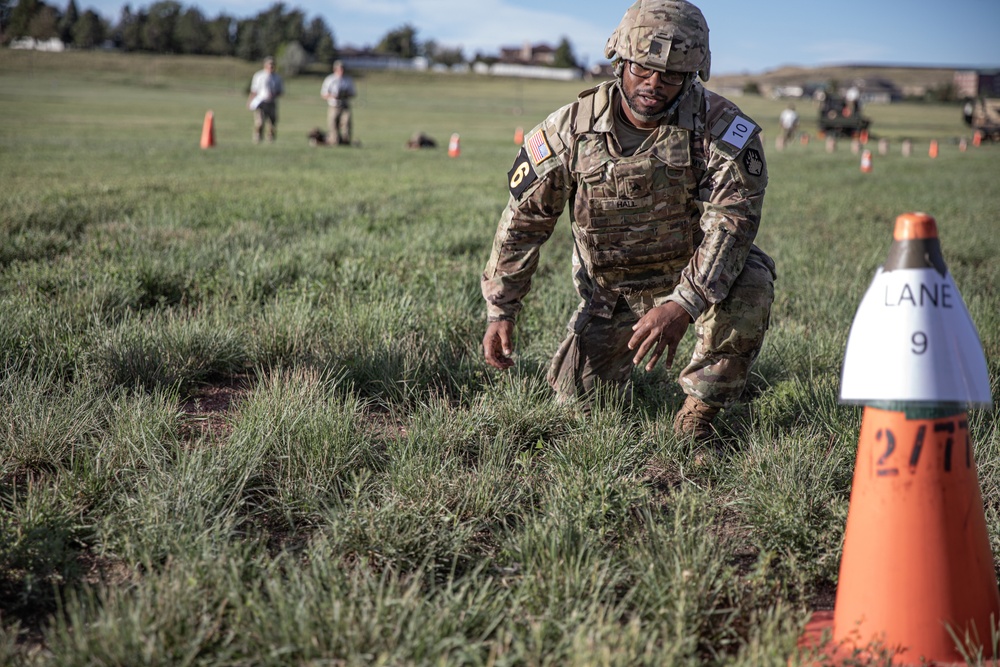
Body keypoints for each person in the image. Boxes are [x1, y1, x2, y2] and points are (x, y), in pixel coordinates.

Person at [480, 0, 775, 442]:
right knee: (579, 406)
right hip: (611, 294)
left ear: (692, 75)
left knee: (750, 279)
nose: (654, 84)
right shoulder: (568, 131)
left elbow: (732, 224)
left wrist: (682, 304)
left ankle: (698, 413)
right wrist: (501, 309)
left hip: (692, 282)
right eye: (642, 68)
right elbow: (524, 222)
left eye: (672, 75)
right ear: (619, 60)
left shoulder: (722, 129)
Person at [247, 56, 283, 143]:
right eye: (269, 65)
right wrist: (250, 101)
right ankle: (257, 138)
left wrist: (274, 94)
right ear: (265, 65)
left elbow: (280, 91)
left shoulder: (277, 77)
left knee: (272, 123)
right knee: (259, 122)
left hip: (272, 102)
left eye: (273, 65)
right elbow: (254, 90)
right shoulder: (259, 76)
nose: (271, 67)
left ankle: (271, 139)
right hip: (261, 102)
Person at [320, 60, 356, 145]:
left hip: (345, 105)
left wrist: (346, 94)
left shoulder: (348, 79)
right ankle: (334, 141)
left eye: (343, 69)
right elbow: (323, 94)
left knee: (346, 123)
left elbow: (353, 93)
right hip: (334, 105)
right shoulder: (330, 79)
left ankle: (345, 141)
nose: (341, 71)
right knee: (333, 124)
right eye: (340, 69)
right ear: (335, 69)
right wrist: (332, 96)